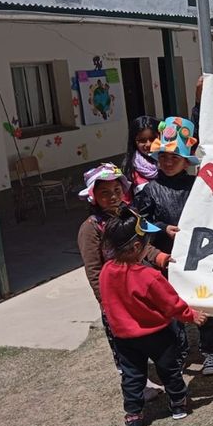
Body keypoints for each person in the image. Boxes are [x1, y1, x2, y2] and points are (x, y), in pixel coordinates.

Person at [99, 207, 207, 426]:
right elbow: (172, 304)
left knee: (132, 376)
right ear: (138, 247)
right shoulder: (150, 276)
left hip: (124, 338)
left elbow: (108, 302)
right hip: (157, 334)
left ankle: (133, 415)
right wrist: (192, 315)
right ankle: (178, 403)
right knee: (169, 369)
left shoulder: (106, 271)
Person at [135, 116, 213, 376]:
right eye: (163, 157)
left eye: (174, 157)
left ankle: (210, 352)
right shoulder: (150, 190)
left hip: (198, 256)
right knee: (170, 306)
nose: (168, 162)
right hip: (166, 258)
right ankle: (178, 351)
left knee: (204, 302)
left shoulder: (198, 187)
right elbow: (141, 224)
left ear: (186, 161)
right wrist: (162, 228)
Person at [76, 163, 171, 398]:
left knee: (149, 335)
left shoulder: (132, 215)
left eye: (116, 190)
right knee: (125, 347)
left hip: (139, 290)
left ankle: (156, 375)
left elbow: (145, 245)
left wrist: (159, 257)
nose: (113, 197)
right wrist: (105, 301)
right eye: (105, 193)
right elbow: (93, 269)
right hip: (115, 297)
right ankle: (137, 388)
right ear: (93, 197)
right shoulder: (90, 229)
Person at [121, 116, 160, 195]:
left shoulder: (170, 162)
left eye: (153, 139)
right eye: (142, 140)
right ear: (134, 142)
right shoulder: (130, 168)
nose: (148, 144)